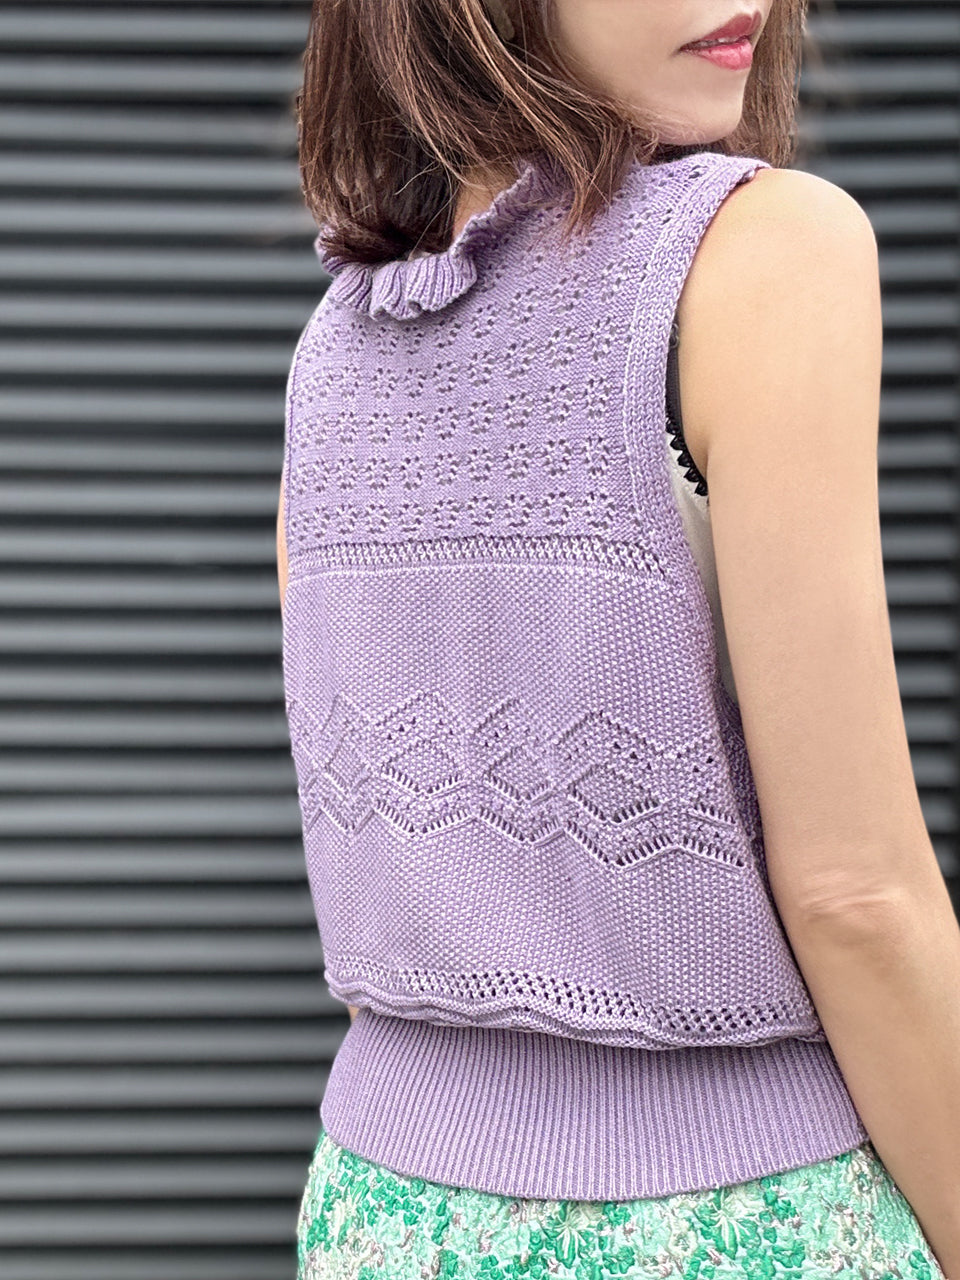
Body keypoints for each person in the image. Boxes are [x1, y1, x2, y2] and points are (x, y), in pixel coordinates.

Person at [277, 1, 960, 1276]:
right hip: (724, 1216)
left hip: (382, 1211)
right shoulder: (768, 253)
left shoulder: (336, 349)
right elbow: (856, 897)